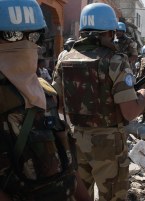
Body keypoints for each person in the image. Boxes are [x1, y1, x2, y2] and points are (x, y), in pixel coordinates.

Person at [52, 3, 145, 200]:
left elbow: (58, 105)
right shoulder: (116, 60)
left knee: (79, 195)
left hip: (77, 137)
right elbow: (129, 112)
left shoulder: (65, 58)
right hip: (108, 143)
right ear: (110, 32)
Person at [0, 0, 90, 200]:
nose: (25, 44)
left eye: (33, 36)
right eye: (11, 35)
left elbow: (68, 165)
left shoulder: (46, 94)